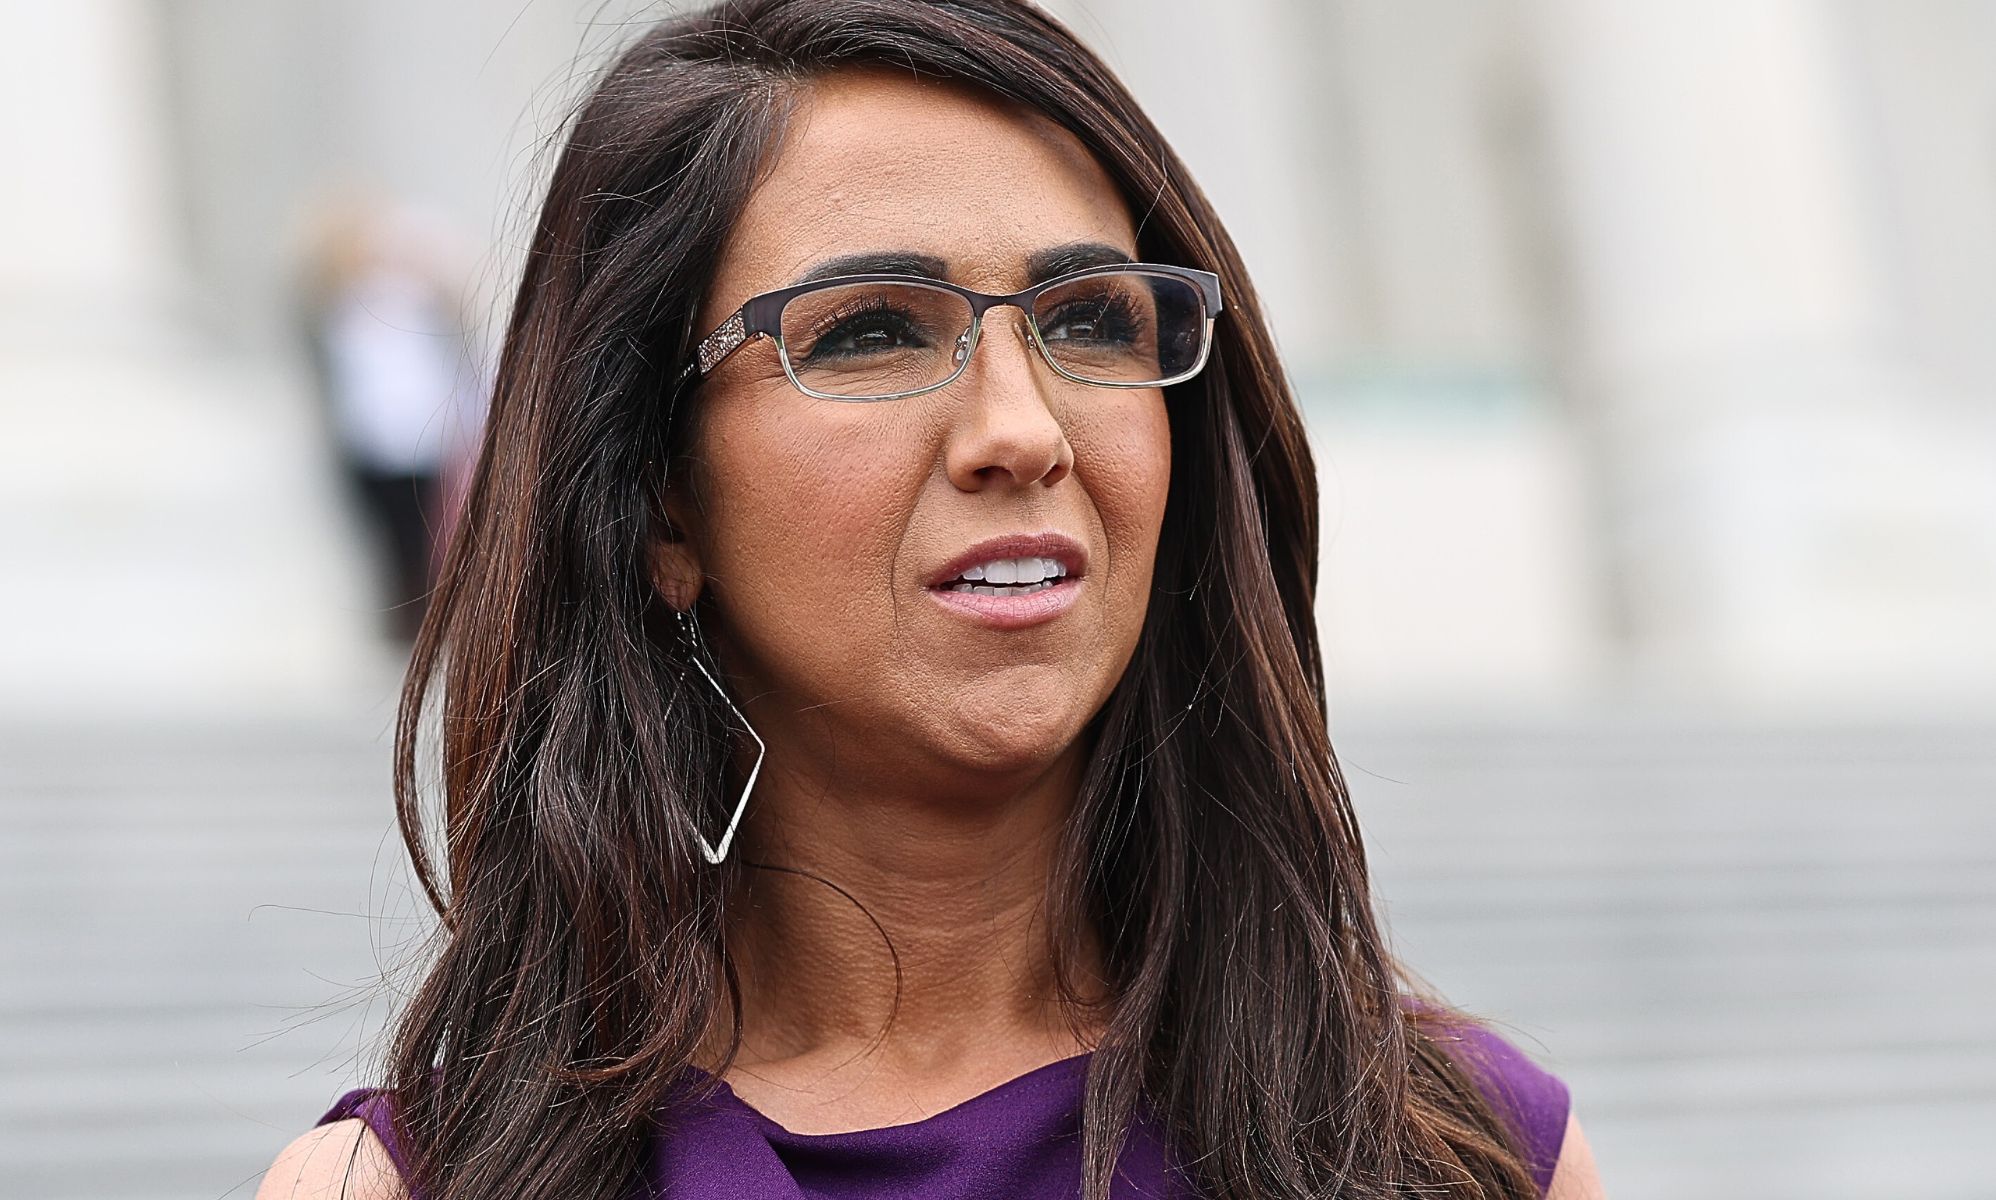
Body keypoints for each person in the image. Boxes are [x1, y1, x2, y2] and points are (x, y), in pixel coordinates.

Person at [257, 2, 1605, 1197]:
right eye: (870, 331)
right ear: (661, 503)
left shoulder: (1463, 1153)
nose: (1021, 430)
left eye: (1091, 320)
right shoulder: (400, 1187)